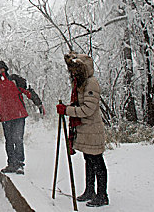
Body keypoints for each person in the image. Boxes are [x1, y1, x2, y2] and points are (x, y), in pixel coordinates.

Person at [56, 51, 109, 207]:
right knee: (89, 160)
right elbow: (80, 105)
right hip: (85, 129)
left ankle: (102, 195)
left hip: (92, 129)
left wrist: (67, 111)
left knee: (97, 161)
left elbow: (88, 109)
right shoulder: (81, 84)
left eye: (75, 70)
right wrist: (68, 107)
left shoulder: (91, 83)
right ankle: (90, 190)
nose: (73, 73)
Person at [0, 61, 44, 175]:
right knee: (9, 141)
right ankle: (11, 164)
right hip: (5, 117)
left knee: (18, 139)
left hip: (19, 115)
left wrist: (38, 103)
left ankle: (19, 164)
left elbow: (28, 91)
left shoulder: (15, 80)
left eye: (1, 69)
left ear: (5, 69)